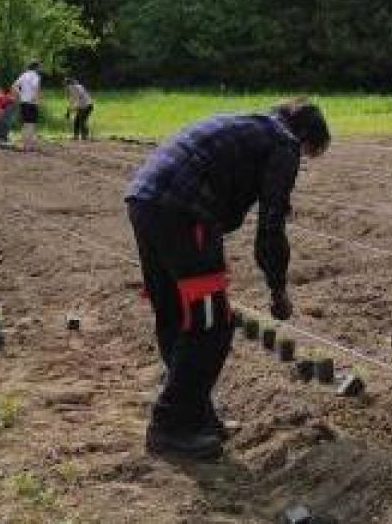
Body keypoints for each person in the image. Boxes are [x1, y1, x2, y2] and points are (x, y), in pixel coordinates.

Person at [125, 99, 331, 459]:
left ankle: (196, 418)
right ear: (306, 138)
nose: (303, 162)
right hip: (185, 213)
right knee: (212, 323)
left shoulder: (250, 124)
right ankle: (170, 427)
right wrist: (278, 289)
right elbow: (270, 227)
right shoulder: (284, 143)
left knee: (175, 315)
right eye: (310, 155)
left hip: (144, 201)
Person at [13, 61, 43, 151]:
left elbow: (14, 86)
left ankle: (24, 145)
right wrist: (37, 99)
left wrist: (21, 94)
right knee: (31, 124)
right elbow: (35, 88)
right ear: (36, 68)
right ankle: (29, 146)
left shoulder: (23, 75)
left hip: (23, 102)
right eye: (39, 67)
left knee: (25, 124)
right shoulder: (35, 76)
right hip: (32, 102)